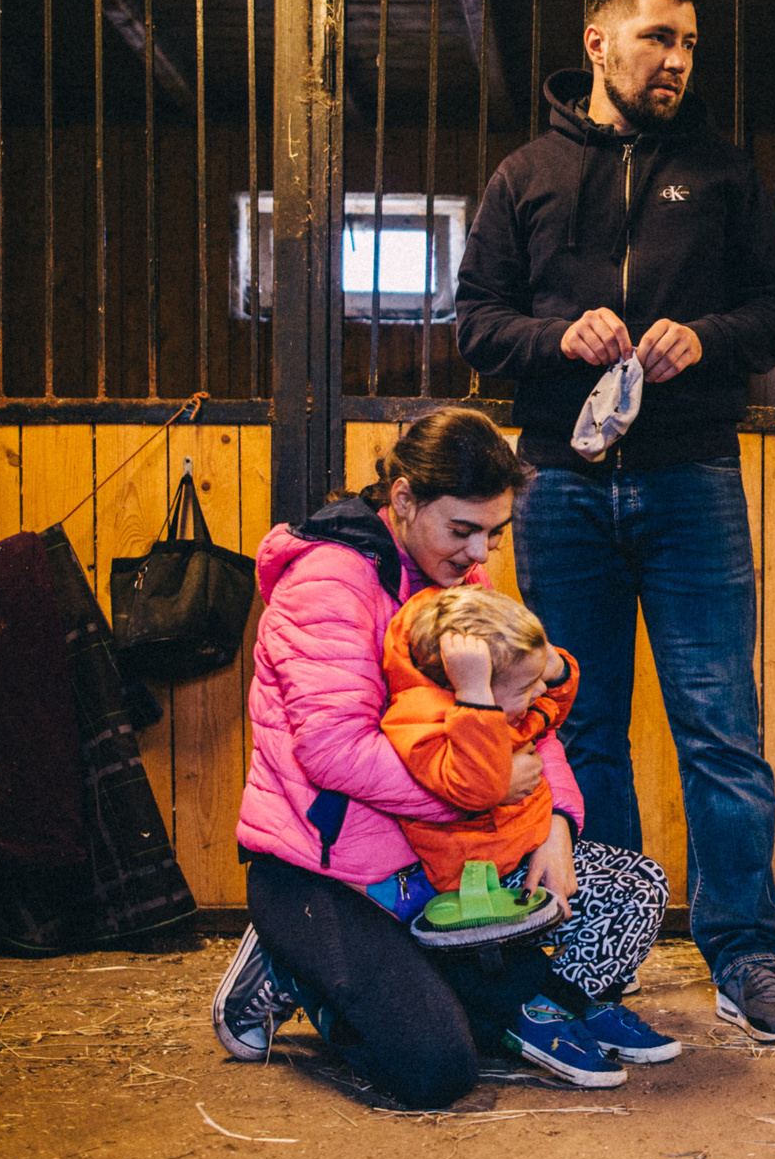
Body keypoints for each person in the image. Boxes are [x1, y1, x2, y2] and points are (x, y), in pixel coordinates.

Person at [455, 0, 775, 1042]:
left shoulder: (720, 176)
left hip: (690, 477)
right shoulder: (525, 177)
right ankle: (603, 961)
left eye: (690, 43)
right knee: (585, 732)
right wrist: (553, 338)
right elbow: (475, 322)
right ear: (600, 43)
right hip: (560, 486)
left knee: (721, 729)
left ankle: (744, 956)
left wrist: (706, 336)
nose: (678, 60)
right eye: (659, 38)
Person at [209, 409, 660, 1105]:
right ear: (403, 500)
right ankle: (289, 962)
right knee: (433, 1068)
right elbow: (334, 751)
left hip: (434, 863)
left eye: (494, 534)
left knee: (620, 890)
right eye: (462, 530)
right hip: (322, 872)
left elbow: (523, 711)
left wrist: (555, 823)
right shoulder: (326, 582)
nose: (480, 556)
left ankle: (462, 984)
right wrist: (484, 790)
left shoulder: (456, 586)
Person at [359, 584, 678, 1087]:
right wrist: (476, 698)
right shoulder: (419, 717)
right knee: (625, 895)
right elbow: (480, 786)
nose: (537, 696)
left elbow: (555, 701)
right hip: (479, 888)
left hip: (522, 857)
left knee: (642, 884)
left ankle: (577, 1002)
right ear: (466, 683)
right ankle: (544, 1014)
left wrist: (553, 666)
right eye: (525, 686)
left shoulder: (511, 699)